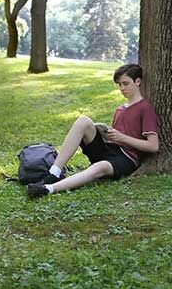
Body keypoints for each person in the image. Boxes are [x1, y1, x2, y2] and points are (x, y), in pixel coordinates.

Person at [26, 64, 159, 199]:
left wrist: (122, 137)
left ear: (138, 81)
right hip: (109, 149)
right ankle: (54, 173)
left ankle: (47, 189)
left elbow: (153, 146)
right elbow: (117, 135)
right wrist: (105, 132)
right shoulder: (120, 108)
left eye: (126, 84)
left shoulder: (145, 108)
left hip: (126, 158)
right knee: (83, 121)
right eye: (119, 85)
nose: (122, 88)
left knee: (99, 168)